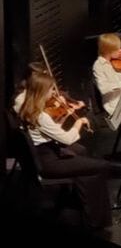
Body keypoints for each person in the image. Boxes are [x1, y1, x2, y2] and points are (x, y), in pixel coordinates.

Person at [18, 70, 112, 229]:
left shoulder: (30, 109)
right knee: (100, 166)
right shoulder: (41, 115)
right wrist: (79, 122)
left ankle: (86, 211)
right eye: (51, 89)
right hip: (48, 161)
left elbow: (52, 132)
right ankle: (94, 219)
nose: (54, 92)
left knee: (87, 163)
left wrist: (63, 117)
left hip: (45, 155)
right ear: (42, 91)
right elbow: (68, 139)